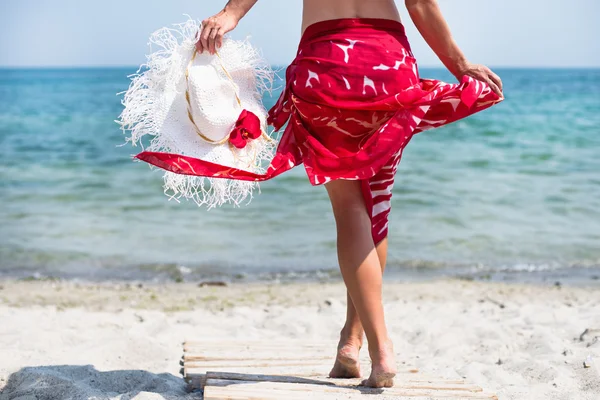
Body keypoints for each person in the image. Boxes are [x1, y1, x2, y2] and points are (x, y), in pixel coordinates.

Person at [195, 0, 503, 388]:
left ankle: (380, 347)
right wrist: (460, 64)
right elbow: (420, 2)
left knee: (349, 209)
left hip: (326, 65)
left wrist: (231, 13)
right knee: (377, 207)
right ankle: (350, 343)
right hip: (387, 63)